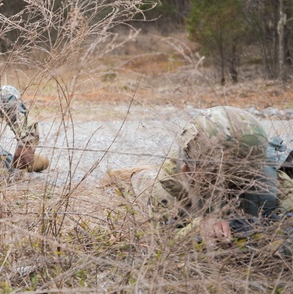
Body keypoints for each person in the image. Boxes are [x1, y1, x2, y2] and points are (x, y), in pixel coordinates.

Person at [106, 106, 293, 249]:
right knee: (142, 179)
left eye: (237, 182)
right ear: (190, 170)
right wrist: (198, 228)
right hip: (172, 182)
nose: (230, 188)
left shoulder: (270, 180)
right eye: (220, 181)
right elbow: (161, 240)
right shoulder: (166, 187)